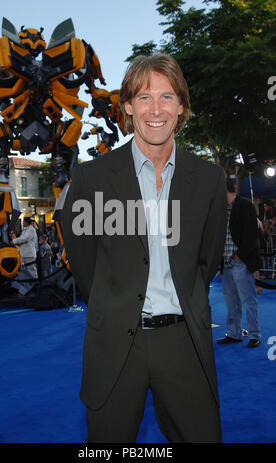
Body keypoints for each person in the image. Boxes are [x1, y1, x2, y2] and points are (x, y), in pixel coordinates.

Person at [62, 53, 227, 443]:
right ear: (127, 108)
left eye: (167, 97)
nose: (156, 109)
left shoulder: (208, 179)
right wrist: (114, 301)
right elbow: (85, 265)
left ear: (181, 106)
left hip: (184, 340)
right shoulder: (92, 178)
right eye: (144, 97)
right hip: (116, 340)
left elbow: (208, 261)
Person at [217, 178, 261, 347]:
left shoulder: (245, 205)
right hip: (227, 263)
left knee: (248, 299)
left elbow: (251, 235)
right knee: (231, 301)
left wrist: (240, 255)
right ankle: (234, 333)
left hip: (240, 261)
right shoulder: (221, 210)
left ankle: (254, 335)